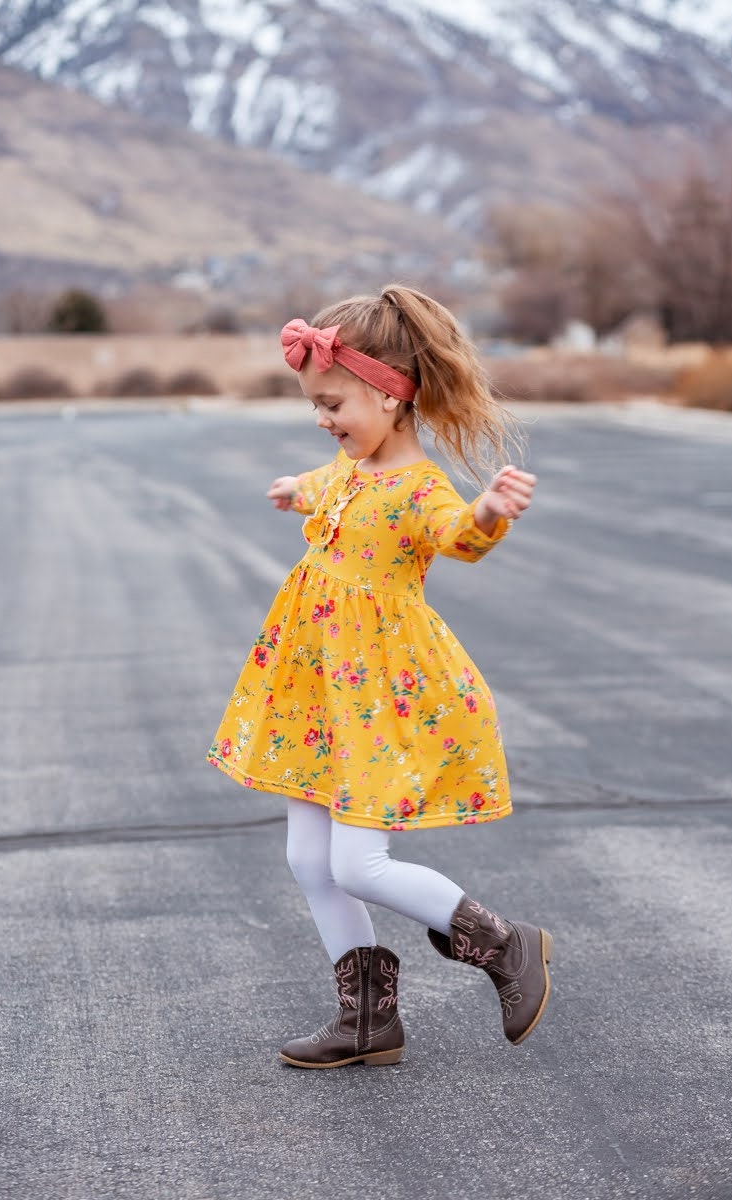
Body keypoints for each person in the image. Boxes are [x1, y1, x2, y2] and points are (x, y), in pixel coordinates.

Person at [207, 284, 551, 1069]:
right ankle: (368, 1021)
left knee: (357, 863)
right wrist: (298, 489)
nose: (326, 420)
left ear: (392, 397)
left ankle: (504, 944)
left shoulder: (418, 487)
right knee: (306, 859)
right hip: (317, 695)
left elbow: (455, 536)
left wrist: (490, 510)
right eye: (316, 408)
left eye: (335, 405)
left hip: (376, 696)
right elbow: (325, 488)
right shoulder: (347, 469)